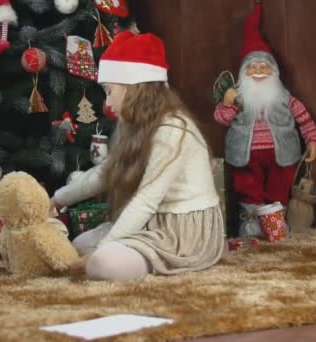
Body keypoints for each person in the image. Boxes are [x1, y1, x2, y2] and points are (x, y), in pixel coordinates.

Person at [50, 31, 225, 281]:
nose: (107, 103)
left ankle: (130, 259)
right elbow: (106, 172)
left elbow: (147, 199)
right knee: (78, 244)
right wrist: (56, 200)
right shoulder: (134, 125)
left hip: (182, 231)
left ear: (134, 89)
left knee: (101, 262)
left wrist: (103, 248)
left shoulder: (173, 129)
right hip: (153, 222)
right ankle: (119, 254)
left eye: (110, 91)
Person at [213, 1, 316, 237]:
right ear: (244, 73)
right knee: (248, 187)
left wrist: (312, 139)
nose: (259, 71)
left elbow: (304, 118)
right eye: (252, 68)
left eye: (264, 67)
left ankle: (275, 222)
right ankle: (252, 224)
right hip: (245, 156)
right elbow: (220, 118)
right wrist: (228, 104)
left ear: (274, 73)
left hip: (282, 155)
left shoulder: (283, 96)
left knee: (278, 187)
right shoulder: (237, 96)